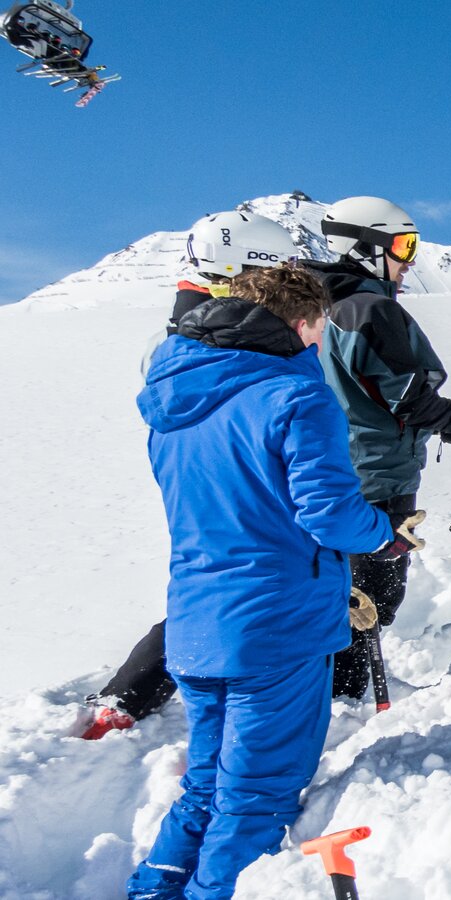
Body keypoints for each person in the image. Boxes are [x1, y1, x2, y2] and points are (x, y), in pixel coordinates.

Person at [125, 264, 417, 899]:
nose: (319, 345)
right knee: (256, 793)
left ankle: (154, 888)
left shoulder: (173, 405)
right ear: (298, 323)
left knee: (208, 781)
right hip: (274, 625)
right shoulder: (294, 395)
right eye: (318, 330)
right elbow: (329, 512)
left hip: (196, 620)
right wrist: (383, 533)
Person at [304, 196, 451, 699]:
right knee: (370, 600)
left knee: (336, 592)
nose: (410, 259)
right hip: (376, 479)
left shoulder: (320, 311)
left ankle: (326, 695)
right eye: (403, 245)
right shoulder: (370, 310)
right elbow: (412, 402)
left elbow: (371, 397)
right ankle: (338, 701)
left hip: (327, 474)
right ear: (366, 246)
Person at [84, 211, 304, 740]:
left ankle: (128, 698)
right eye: (275, 271)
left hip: (198, 474)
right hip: (236, 473)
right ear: (243, 270)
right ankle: (215, 711)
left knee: (210, 581)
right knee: (238, 584)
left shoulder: (185, 327)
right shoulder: (221, 330)